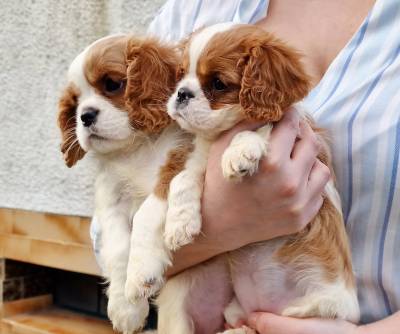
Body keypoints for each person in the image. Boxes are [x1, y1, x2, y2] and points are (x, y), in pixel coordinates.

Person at [91, 0, 400, 332]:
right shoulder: (193, 9)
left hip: (325, 302)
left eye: (219, 84)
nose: (183, 91)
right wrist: (221, 220)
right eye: (181, 75)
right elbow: (111, 231)